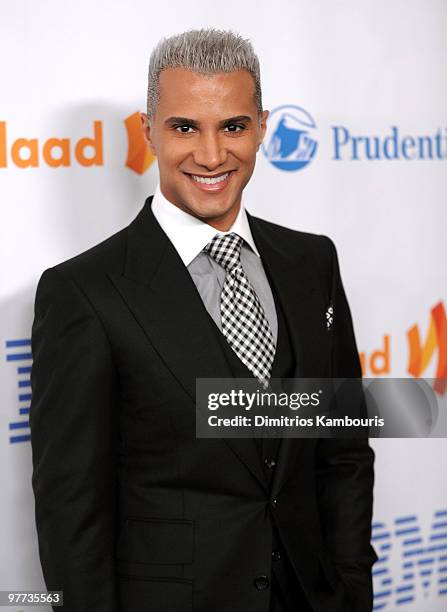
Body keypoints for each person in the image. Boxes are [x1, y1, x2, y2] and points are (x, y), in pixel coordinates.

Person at [30, 28, 377, 612]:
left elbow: (341, 450)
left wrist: (349, 591)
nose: (212, 156)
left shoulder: (312, 261)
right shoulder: (82, 293)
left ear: (263, 127)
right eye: (185, 126)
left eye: (233, 127)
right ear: (148, 130)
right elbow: (71, 513)